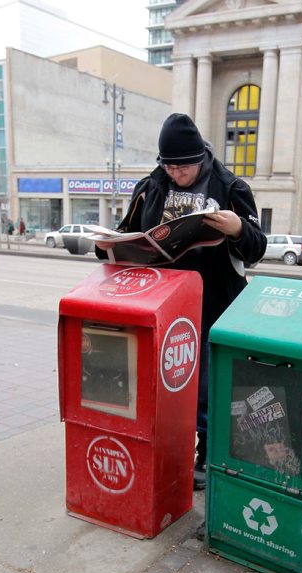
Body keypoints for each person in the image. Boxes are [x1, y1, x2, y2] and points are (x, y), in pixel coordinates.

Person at [98, 113, 267, 530]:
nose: (176, 173)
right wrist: (109, 247)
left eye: (183, 167)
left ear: (201, 158)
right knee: (164, 385)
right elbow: (127, 233)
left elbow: (257, 248)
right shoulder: (151, 185)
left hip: (213, 303)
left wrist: (237, 227)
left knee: (206, 387)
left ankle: (206, 455)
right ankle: (168, 453)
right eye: (170, 166)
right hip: (161, 303)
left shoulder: (230, 187)